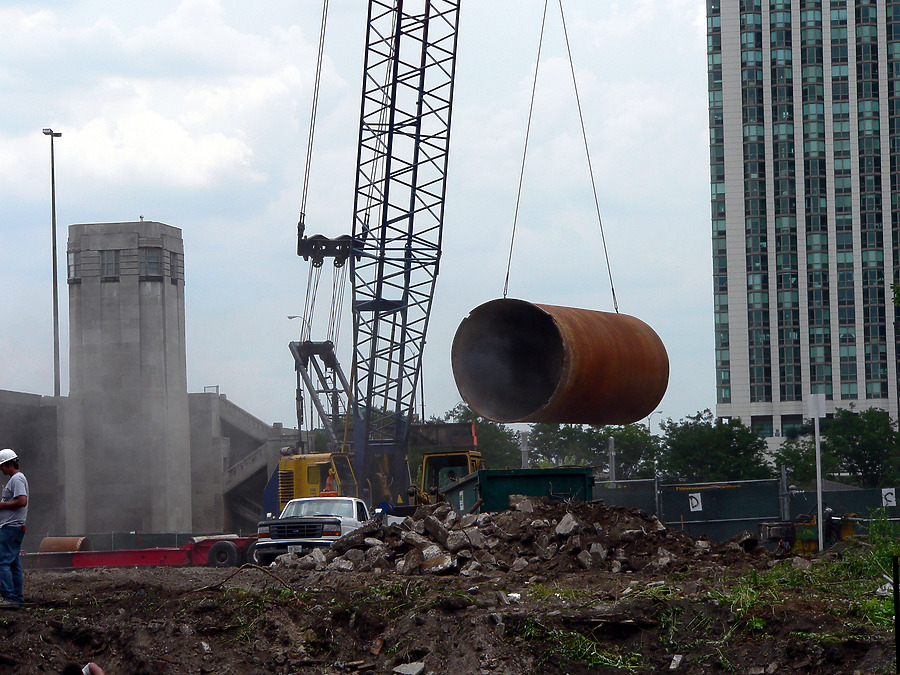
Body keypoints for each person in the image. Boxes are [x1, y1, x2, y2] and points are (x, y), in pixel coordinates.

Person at [0, 449, 27, 610]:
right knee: (13, 564)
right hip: (14, 528)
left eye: (2, 466)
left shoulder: (17, 479)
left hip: (10, 528)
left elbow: (22, 501)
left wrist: (1, 505)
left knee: (2, 562)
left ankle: (9, 598)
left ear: (10, 464)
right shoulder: (16, 479)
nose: (1, 469)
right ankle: (18, 599)